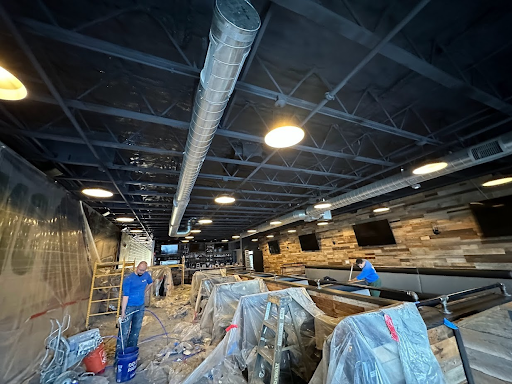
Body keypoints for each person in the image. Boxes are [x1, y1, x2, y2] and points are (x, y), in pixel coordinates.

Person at [116, 261, 153, 358]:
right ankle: (119, 356)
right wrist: (123, 312)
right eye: (140, 270)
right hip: (129, 306)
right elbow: (125, 296)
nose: (141, 272)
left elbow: (150, 283)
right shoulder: (129, 279)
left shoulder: (146, 275)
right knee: (124, 331)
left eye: (143, 270)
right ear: (137, 267)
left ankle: (130, 352)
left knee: (136, 329)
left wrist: (144, 292)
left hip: (140, 306)